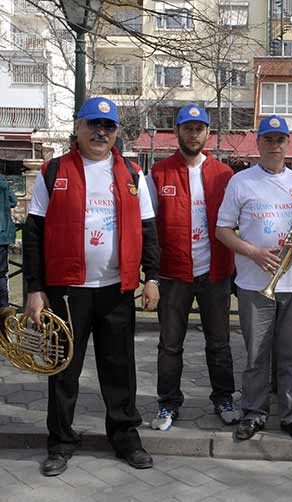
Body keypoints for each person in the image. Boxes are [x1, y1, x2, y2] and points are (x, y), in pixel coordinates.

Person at [23, 97, 160, 476]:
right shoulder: (54, 171)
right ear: (79, 127)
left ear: (116, 132)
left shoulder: (133, 173)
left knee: (119, 368)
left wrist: (152, 278)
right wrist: (35, 289)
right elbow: (33, 233)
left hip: (115, 288)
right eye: (94, 124)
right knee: (63, 370)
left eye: (109, 126)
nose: (101, 132)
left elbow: (149, 231)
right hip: (67, 290)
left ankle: (125, 437)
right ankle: (61, 441)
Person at [216, 115, 292, 441]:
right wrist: (253, 252)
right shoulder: (240, 181)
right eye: (269, 139)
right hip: (253, 282)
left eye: (280, 139)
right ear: (258, 143)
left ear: (288, 143)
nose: (275, 145)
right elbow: (222, 231)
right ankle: (254, 412)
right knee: (256, 354)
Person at [146, 105, 238, 431]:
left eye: (199, 128)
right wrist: (151, 277)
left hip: (215, 273)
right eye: (188, 128)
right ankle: (168, 404)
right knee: (170, 345)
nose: (193, 134)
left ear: (208, 133)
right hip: (173, 275)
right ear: (177, 131)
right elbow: (148, 228)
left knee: (219, 343)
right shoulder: (158, 173)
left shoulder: (225, 175)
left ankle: (223, 398)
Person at [0, 175, 17, 307]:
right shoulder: (3, 181)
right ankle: (5, 312)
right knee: (2, 274)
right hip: (3, 234)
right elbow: (13, 201)